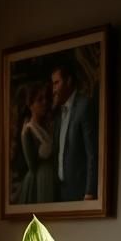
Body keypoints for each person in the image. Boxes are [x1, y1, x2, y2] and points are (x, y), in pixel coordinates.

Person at [51, 60, 98, 201]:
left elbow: (92, 153)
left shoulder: (84, 106)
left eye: (56, 83)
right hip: (62, 191)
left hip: (80, 191)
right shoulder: (59, 112)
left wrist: (90, 191)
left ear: (69, 81)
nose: (53, 89)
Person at [17, 83, 56, 204]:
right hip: (40, 182)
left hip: (52, 177)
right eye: (39, 100)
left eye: (45, 99)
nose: (45, 103)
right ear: (31, 105)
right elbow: (32, 166)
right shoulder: (28, 130)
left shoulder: (50, 126)